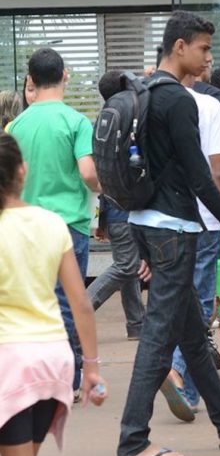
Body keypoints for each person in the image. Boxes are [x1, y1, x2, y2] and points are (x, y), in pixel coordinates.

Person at [117, 11, 220, 456]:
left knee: (192, 334)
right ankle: (133, 440)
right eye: (203, 48)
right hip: (173, 230)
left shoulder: (143, 93)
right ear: (179, 46)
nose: (207, 58)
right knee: (158, 337)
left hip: (144, 222)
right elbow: (201, 177)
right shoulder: (179, 101)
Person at [0, 133, 107, 456]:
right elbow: (81, 303)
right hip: (52, 360)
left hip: (10, 363)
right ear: (22, 170)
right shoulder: (51, 223)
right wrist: (91, 366)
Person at [8, 48, 102, 400]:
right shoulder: (76, 122)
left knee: (33, 300)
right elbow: (88, 172)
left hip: (24, 225)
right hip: (68, 225)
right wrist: (103, 188)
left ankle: (34, 376)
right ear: (64, 76)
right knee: (69, 301)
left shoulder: (16, 125)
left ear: (31, 80)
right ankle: (69, 379)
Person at [161, 66, 220, 420]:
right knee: (201, 302)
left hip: (165, 219)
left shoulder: (154, 102)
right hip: (205, 219)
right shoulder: (208, 105)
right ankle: (179, 373)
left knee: (177, 298)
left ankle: (188, 390)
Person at [86, 71, 145, 342]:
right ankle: (81, 308)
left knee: (128, 265)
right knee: (126, 265)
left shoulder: (104, 122)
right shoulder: (126, 123)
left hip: (111, 209)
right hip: (124, 210)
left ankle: (137, 324)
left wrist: (100, 220)